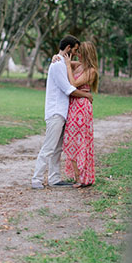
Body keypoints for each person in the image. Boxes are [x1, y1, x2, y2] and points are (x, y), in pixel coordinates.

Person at [31, 35, 93, 189]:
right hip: (56, 112)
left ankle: (54, 178)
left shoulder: (61, 62)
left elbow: (81, 64)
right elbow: (68, 89)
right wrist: (86, 95)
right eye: (75, 50)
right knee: (49, 147)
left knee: (57, 148)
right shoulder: (58, 64)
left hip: (62, 112)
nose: (76, 53)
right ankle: (37, 179)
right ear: (68, 48)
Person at [62, 40, 99, 188]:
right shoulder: (78, 65)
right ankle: (78, 176)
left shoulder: (91, 71)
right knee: (71, 140)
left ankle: (81, 178)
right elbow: (62, 59)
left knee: (80, 141)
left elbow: (72, 84)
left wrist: (67, 67)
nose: (76, 54)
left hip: (81, 108)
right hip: (73, 105)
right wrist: (57, 57)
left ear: (86, 53)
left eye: (79, 52)